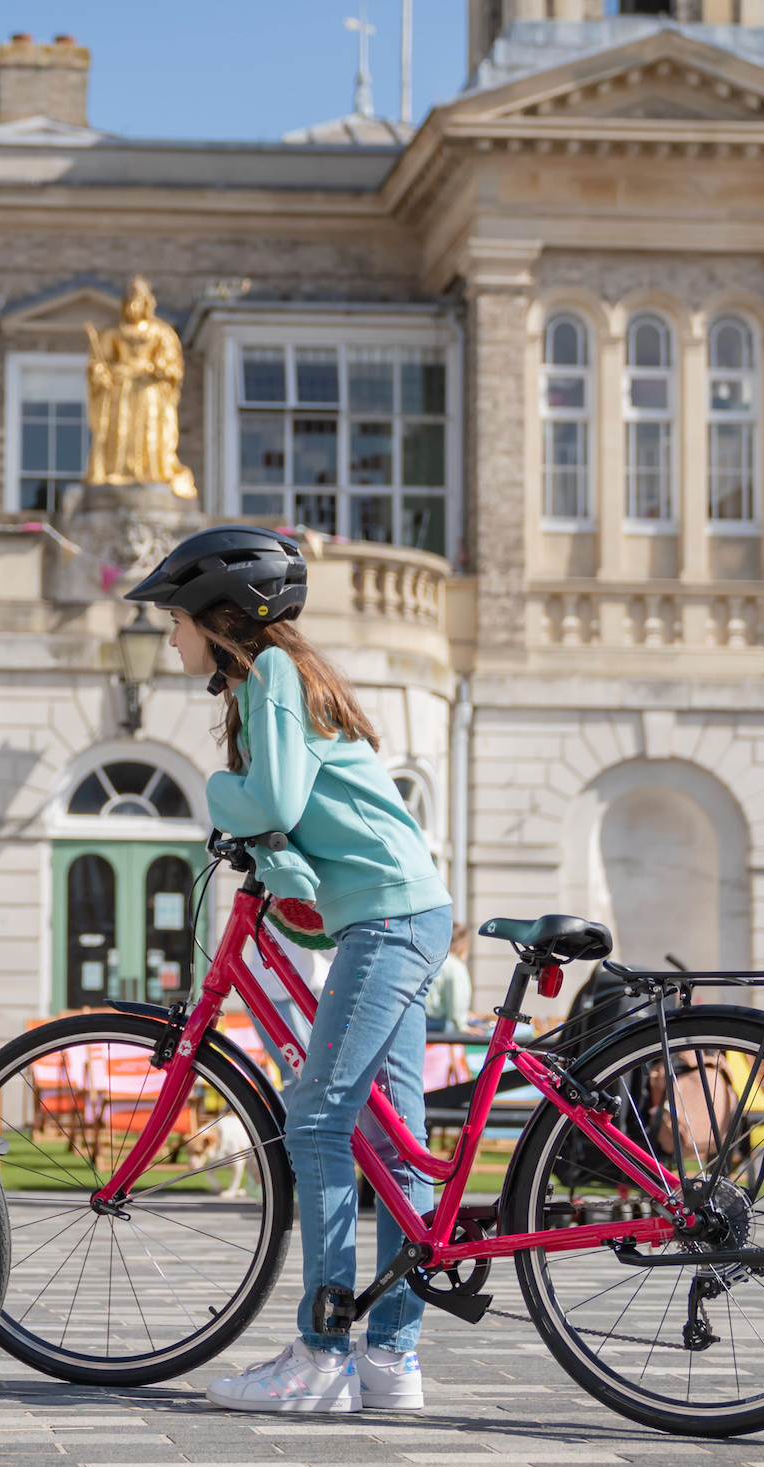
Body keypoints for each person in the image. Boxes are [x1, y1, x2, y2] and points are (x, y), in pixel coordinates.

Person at [126, 525, 453, 1417]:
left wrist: (218, 796)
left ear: (211, 616)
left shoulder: (269, 675)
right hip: (403, 906)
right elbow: (317, 813)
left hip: (389, 918)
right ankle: (392, 1358)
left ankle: (320, 1355)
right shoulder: (290, 679)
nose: (169, 637)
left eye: (173, 619)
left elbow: (273, 798)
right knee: (394, 1138)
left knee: (314, 1117)